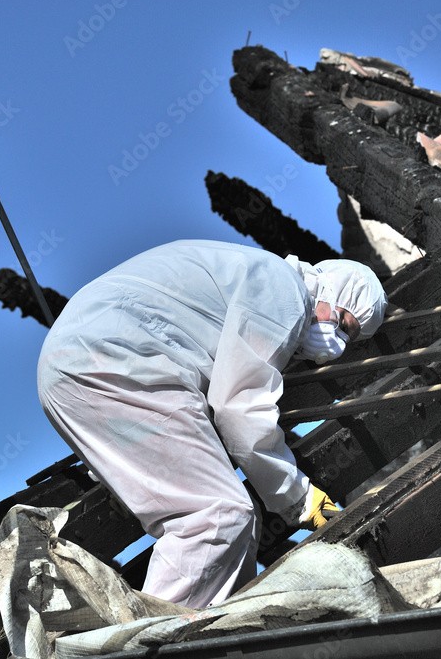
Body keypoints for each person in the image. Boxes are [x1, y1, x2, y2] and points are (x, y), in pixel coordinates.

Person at [37, 239, 387, 608]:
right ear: (332, 289)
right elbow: (238, 407)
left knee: (233, 527)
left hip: (71, 369)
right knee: (219, 517)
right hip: (119, 360)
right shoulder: (284, 288)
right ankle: (147, 645)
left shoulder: (246, 271)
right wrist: (297, 497)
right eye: (345, 325)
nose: (340, 345)